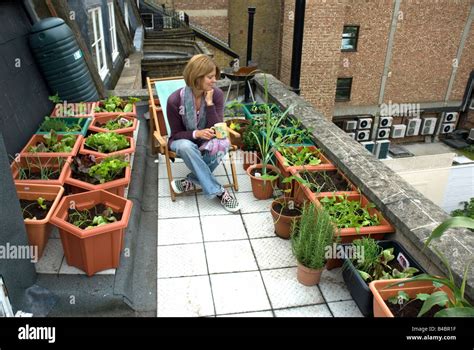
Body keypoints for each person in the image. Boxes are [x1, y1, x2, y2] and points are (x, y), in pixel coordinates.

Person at [167, 54, 241, 212]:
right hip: (184, 141)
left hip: (207, 141)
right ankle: (219, 191)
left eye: (215, 76)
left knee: (224, 143)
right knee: (186, 146)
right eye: (210, 77)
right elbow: (175, 135)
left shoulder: (217, 95)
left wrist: (209, 104)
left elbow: (218, 129)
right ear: (197, 77)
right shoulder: (174, 100)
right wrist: (197, 134)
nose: (215, 81)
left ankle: (191, 181)